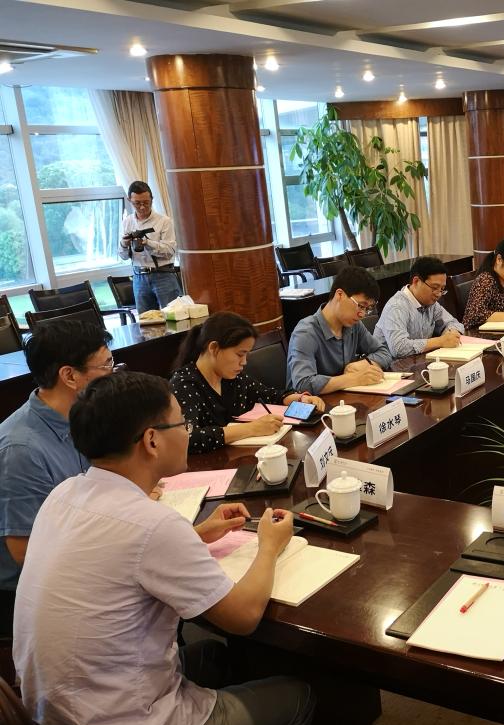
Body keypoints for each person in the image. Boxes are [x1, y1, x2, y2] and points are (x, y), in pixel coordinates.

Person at [13, 372, 313, 725]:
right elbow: (243, 617)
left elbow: (123, 557)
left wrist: (197, 535)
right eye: (182, 423)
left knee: (215, 656)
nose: (188, 432)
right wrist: (269, 547)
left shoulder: (64, 494)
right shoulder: (152, 524)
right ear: (152, 441)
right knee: (297, 697)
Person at [0, 320, 116, 634]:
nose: (113, 373)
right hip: (31, 593)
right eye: (106, 365)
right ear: (70, 376)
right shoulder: (21, 449)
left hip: (84, 552)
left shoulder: (82, 415)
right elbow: (25, 553)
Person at [171, 312, 326, 454]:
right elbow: (187, 438)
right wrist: (251, 428)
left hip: (242, 457)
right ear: (214, 348)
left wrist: (300, 399)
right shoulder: (184, 385)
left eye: (246, 355)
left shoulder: (232, 378)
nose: (244, 362)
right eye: (240, 354)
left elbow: (269, 395)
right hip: (208, 468)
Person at [287, 265, 392, 395]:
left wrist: (364, 364)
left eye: (367, 309)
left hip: (344, 398)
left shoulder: (354, 325)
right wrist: (353, 378)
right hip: (310, 405)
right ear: (340, 295)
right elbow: (303, 384)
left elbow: (384, 352)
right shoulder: (306, 332)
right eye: (360, 306)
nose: (362, 314)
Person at [374, 257, 466, 357]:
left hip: (417, 361)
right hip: (390, 365)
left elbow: (453, 323)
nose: (439, 294)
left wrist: (451, 333)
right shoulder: (397, 307)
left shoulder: (431, 304)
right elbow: (399, 348)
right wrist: (440, 341)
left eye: (442, 289)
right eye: (435, 288)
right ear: (416, 281)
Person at [117, 180, 181, 312]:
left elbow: (170, 251)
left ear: (152, 199)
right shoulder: (127, 222)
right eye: (137, 203)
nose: (142, 207)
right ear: (129, 200)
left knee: (173, 317)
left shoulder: (164, 221)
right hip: (138, 276)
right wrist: (124, 244)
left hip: (163, 275)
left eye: (146, 202)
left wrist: (147, 243)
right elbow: (123, 256)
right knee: (146, 320)